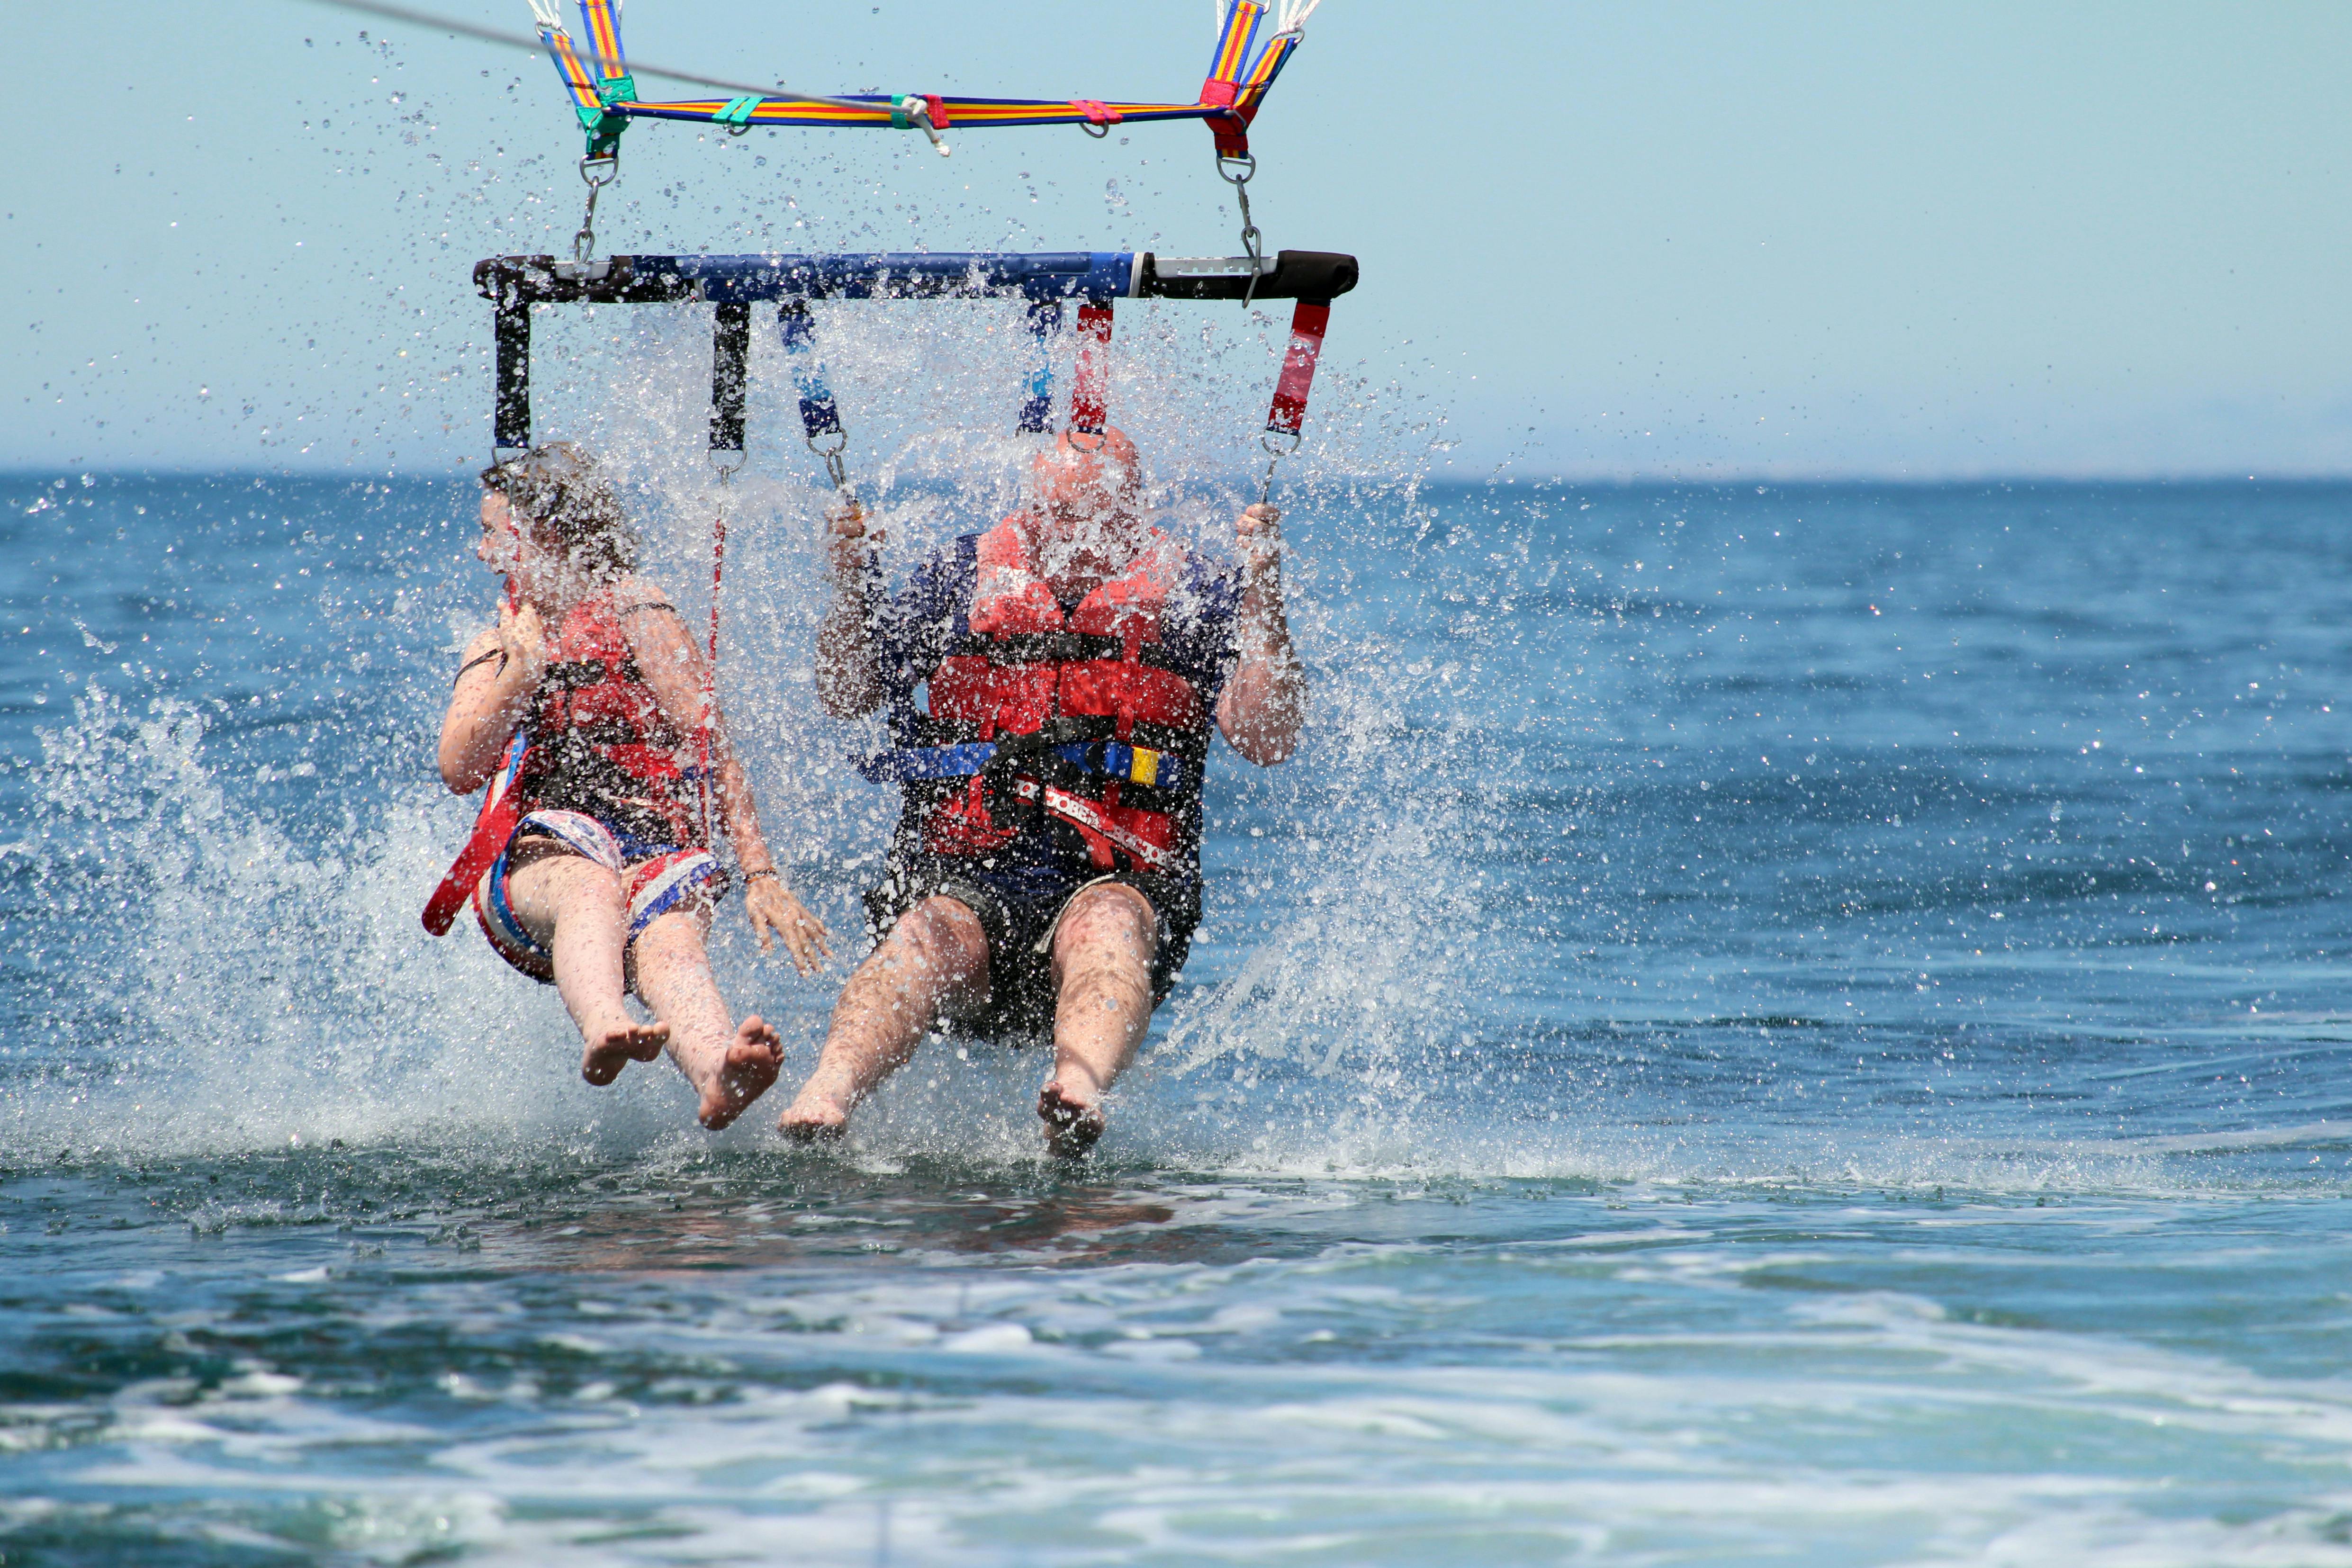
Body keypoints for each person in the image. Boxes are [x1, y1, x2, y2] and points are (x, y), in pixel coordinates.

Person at [777, 427, 1305, 1155]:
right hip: (964, 875)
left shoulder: (1193, 591)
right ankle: (827, 1094)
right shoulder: (961, 578)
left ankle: (1076, 1092)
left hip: (1122, 876)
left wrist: (1263, 594)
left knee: (1107, 925)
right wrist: (847, 584)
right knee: (923, 938)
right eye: (1052, 515)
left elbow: (1268, 738)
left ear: (1133, 512)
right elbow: (845, 692)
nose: (1069, 535)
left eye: (1092, 516)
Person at [433, 442, 831, 1129]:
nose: (481, 552)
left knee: (669, 935)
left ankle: (717, 1068)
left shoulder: (639, 614)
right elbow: (459, 769)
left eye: (492, 534)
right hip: (538, 868)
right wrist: (521, 671)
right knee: (591, 886)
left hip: (650, 851)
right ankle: (605, 1024)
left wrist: (761, 873)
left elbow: (716, 749)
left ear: (545, 536)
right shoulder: (497, 643)